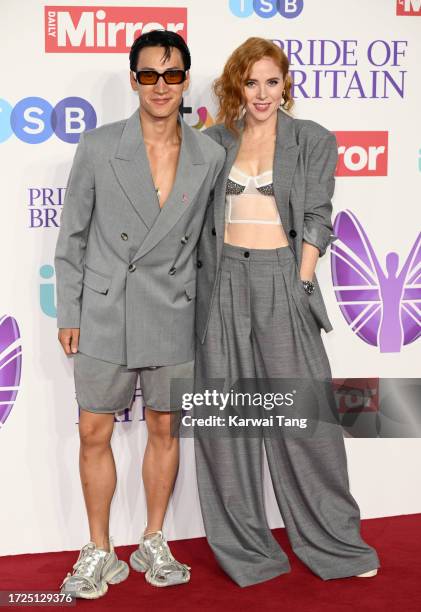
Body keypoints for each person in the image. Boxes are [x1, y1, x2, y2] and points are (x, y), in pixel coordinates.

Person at [193, 37, 380, 587]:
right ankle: (246, 548)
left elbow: (319, 214)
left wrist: (300, 280)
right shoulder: (212, 142)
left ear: (285, 85)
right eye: (251, 82)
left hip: (283, 277)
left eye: (271, 82)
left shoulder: (313, 140)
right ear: (236, 85)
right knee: (227, 422)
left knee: (306, 418)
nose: (262, 94)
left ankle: (337, 543)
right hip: (222, 282)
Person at [54, 29, 225, 598]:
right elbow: (72, 234)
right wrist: (69, 311)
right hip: (104, 312)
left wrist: (204, 320)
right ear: (133, 79)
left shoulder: (209, 156)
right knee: (94, 431)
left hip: (172, 311)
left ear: (185, 81)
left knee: (164, 428)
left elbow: (207, 247)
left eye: (172, 75)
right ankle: (100, 548)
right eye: (149, 74)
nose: (160, 85)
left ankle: (154, 538)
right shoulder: (100, 146)